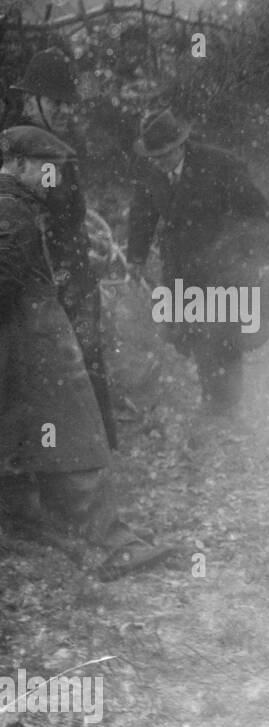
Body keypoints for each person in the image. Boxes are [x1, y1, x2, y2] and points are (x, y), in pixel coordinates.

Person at [0, 126, 176, 578]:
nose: (55, 179)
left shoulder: (19, 205)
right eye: (48, 170)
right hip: (38, 347)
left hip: (25, 344)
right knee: (76, 442)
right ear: (19, 165)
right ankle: (108, 544)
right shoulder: (13, 209)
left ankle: (37, 528)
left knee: (29, 439)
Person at [126, 108, 269, 414]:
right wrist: (136, 257)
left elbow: (256, 210)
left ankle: (224, 404)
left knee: (225, 335)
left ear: (180, 145)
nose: (158, 161)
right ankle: (215, 399)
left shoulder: (220, 165)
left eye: (164, 154)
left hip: (223, 264)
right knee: (193, 334)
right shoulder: (152, 172)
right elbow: (142, 214)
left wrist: (263, 255)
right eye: (153, 155)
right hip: (181, 267)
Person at [5, 48, 115, 447]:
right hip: (50, 291)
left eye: (68, 103)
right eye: (56, 102)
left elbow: (60, 217)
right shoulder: (29, 152)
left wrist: (85, 247)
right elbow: (37, 220)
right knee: (63, 387)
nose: (65, 110)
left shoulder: (50, 147)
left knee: (74, 383)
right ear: (31, 100)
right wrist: (69, 268)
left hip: (68, 283)